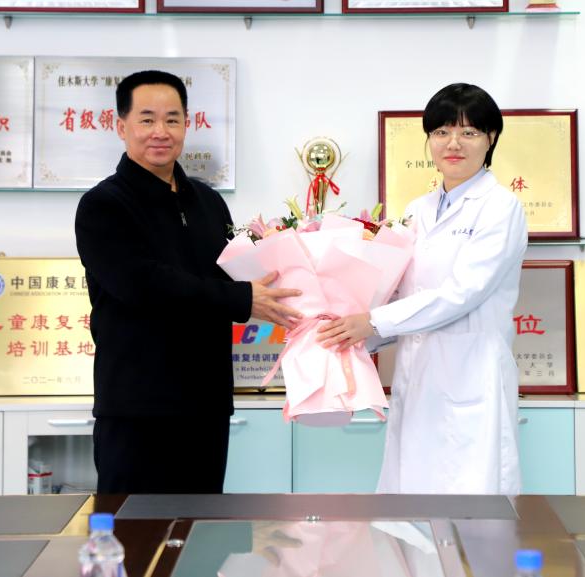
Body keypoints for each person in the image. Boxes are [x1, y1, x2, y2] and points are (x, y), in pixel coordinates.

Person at [75, 70, 302, 495]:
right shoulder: (103, 205)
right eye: (147, 119)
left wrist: (299, 282)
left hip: (206, 404)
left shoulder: (209, 201)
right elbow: (143, 286)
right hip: (137, 408)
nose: (160, 132)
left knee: (201, 526)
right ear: (121, 126)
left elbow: (230, 275)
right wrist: (242, 298)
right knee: (134, 529)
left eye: (172, 119)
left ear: (187, 124)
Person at [317, 83, 528, 495]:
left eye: (469, 132)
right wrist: (345, 329)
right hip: (417, 379)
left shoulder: (501, 208)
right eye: (441, 131)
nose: (453, 143)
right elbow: (403, 294)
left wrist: (372, 322)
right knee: (410, 507)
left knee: (470, 510)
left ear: (491, 138)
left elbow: (463, 292)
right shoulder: (417, 209)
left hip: (472, 378)